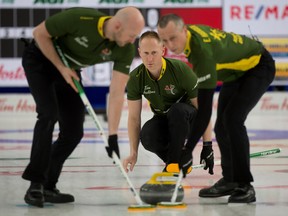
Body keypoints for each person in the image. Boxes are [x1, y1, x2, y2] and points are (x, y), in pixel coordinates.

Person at [21, 7, 145, 208]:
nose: (133, 41)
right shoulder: (79, 18)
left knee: (73, 132)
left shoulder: (125, 48)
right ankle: (35, 184)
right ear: (117, 25)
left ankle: (48, 185)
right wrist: (61, 68)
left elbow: (116, 93)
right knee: (48, 115)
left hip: (69, 69)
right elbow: (39, 33)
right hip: (41, 59)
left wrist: (112, 135)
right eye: (132, 35)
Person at [157, 14, 275, 203]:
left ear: (184, 30)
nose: (170, 45)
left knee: (233, 121)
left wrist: (187, 150)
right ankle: (230, 180)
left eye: (173, 38)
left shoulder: (202, 53)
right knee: (221, 126)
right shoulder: (191, 39)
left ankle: (245, 185)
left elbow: (204, 112)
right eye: (164, 40)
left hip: (258, 66)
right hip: (234, 73)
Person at [123, 31, 198, 178]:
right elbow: (133, 118)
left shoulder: (180, 69)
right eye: (145, 53)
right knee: (147, 135)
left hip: (189, 120)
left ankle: (176, 160)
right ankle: (175, 163)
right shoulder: (135, 78)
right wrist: (133, 153)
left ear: (163, 50)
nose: (150, 59)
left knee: (177, 111)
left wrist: (207, 146)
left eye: (154, 53)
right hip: (165, 118)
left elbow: (203, 109)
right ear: (139, 52)